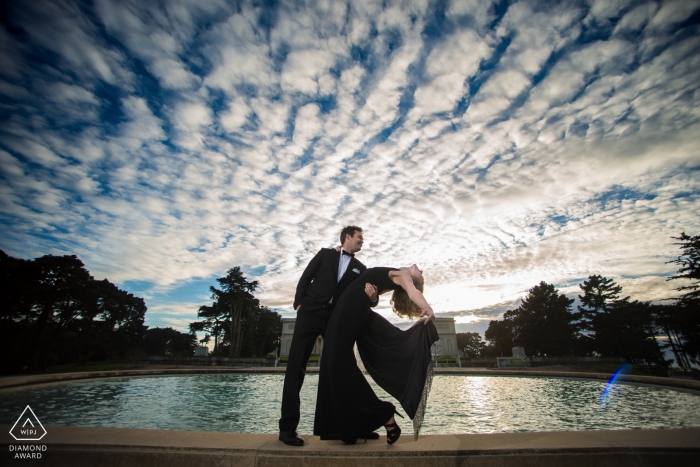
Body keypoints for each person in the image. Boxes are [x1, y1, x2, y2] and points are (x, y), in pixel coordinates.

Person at [313, 265, 438, 445]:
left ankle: (383, 414)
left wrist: (427, 308)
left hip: (349, 311)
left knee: (337, 362)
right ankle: (352, 426)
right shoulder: (397, 273)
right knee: (336, 363)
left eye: (420, 276)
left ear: (413, 280)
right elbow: (369, 290)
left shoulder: (403, 275)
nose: (421, 270)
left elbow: (411, 292)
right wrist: (373, 299)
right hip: (347, 309)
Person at [278, 226, 379, 446]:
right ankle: (287, 428)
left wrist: (373, 299)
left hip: (334, 321)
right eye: (359, 237)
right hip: (310, 314)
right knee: (296, 368)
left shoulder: (361, 269)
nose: (363, 240)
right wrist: (299, 303)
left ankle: (355, 425)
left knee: (343, 369)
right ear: (347, 237)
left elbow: (368, 295)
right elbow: (306, 276)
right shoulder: (325, 254)